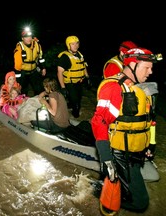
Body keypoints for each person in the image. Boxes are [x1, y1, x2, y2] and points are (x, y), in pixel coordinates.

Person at [91, 47, 162, 212]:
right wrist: (106, 159)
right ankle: (101, 194)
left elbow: (148, 121)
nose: (151, 72)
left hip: (136, 151)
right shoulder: (114, 88)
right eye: (147, 67)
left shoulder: (140, 88)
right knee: (141, 203)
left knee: (130, 188)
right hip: (120, 154)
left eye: (152, 68)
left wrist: (150, 144)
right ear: (132, 65)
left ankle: (110, 189)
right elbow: (99, 121)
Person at [57, 35, 90, 118]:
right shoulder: (64, 57)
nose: (76, 46)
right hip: (70, 83)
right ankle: (75, 114)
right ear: (68, 45)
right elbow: (59, 72)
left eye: (77, 43)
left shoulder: (79, 54)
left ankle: (70, 105)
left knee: (78, 98)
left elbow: (83, 66)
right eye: (72, 44)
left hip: (79, 81)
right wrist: (63, 87)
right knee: (76, 101)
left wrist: (87, 77)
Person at [13, 26, 46, 96]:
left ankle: (40, 104)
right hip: (23, 73)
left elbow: (41, 58)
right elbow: (17, 67)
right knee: (23, 91)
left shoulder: (37, 45)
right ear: (22, 38)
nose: (29, 39)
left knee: (39, 89)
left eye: (30, 36)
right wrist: (18, 82)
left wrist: (43, 68)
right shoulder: (19, 49)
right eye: (26, 37)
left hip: (34, 71)